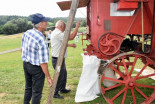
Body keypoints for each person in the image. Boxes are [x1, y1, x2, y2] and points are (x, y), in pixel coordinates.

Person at [21, 13, 53, 104]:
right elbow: (43, 62)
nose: (47, 23)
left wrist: (27, 59)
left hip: (26, 64)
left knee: (28, 87)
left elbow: (22, 49)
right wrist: (48, 77)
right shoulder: (41, 39)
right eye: (44, 21)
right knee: (36, 92)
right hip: (36, 68)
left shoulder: (27, 33)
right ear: (39, 24)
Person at [50, 20, 81, 99]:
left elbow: (62, 43)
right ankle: (55, 93)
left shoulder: (56, 32)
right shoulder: (58, 33)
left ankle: (62, 89)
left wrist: (70, 45)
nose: (64, 29)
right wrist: (77, 27)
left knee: (64, 73)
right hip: (57, 59)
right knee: (59, 75)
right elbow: (71, 37)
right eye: (64, 27)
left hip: (59, 58)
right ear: (61, 26)